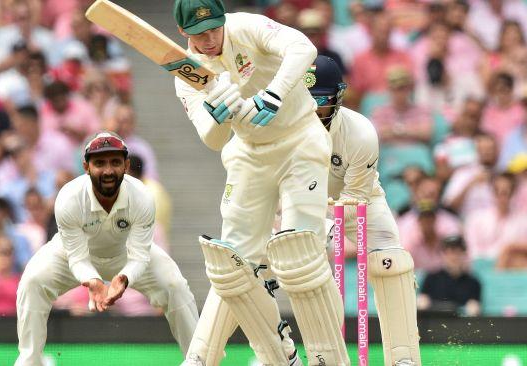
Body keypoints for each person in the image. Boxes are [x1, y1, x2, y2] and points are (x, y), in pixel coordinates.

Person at [173, 0, 347, 364]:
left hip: (299, 138)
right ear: (182, 33)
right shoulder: (188, 71)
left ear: (223, 21)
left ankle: (328, 360)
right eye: (197, 35)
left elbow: (303, 48)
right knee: (232, 265)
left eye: (213, 30)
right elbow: (212, 138)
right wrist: (216, 115)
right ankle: (233, 357)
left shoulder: (246, 26)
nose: (208, 41)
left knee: (300, 254)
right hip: (249, 152)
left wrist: (274, 94)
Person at [14, 132, 198, 365]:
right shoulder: (69, 198)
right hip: (73, 255)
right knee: (33, 281)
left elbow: (140, 255)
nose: (108, 171)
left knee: (175, 285)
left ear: (126, 165)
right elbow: (78, 258)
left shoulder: (142, 196)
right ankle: (30, 360)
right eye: (99, 163)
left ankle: (198, 359)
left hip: (126, 254)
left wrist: (124, 277)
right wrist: (93, 280)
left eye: (115, 162)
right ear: (86, 167)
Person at [308, 55, 421, 364]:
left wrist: (332, 229)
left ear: (336, 97)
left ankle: (403, 357)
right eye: (306, 99)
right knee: (278, 257)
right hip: (305, 203)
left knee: (391, 259)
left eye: (320, 100)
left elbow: (353, 198)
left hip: (361, 200)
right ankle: (319, 355)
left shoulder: (360, 132)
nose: (313, 108)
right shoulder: (286, 129)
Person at [417, 235, 482, 316]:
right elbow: (422, 301)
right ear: (443, 254)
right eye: (449, 252)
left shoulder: (473, 282)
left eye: (458, 252)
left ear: (464, 254)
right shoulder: (431, 278)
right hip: (434, 322)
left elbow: (475, 307)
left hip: (461, 324)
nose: (454, 257)